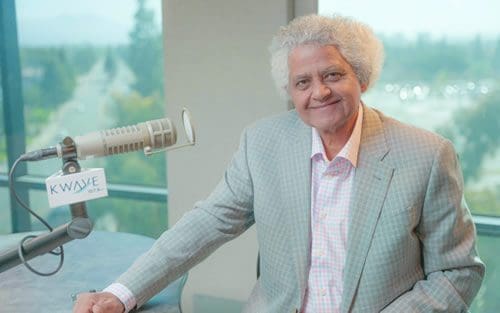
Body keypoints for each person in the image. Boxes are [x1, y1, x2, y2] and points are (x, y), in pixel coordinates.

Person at [73, 14, 484, 313]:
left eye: (333, 75)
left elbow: (458, 273)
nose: (318, 92)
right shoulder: (263, 142)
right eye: (302, 82)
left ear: (362, 77)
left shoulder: (427, 154)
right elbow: (204, 224)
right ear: (289, 91)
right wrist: (121, 293)